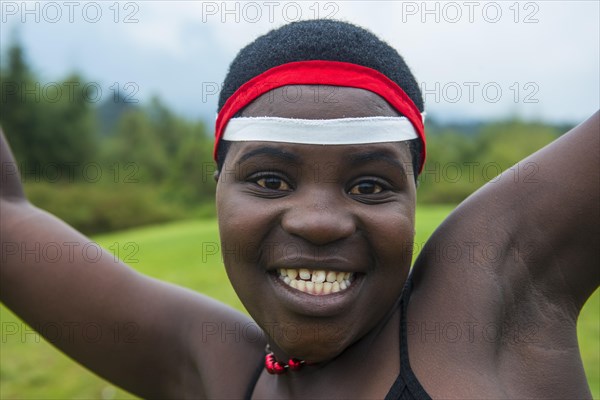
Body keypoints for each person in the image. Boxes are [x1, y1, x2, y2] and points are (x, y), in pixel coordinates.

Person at [1, 19, 598, 399]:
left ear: (414, 197)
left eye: (369, 186)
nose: (318, 221)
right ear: (217, 189)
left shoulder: (484, 304)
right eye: (269, 179)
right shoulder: (219, 369)